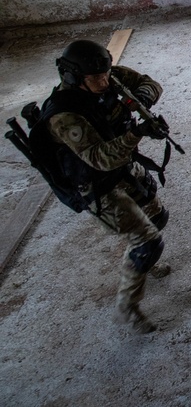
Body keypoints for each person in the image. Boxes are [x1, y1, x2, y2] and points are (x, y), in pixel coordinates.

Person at [37, 40, 172, 334]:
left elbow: (150, 83)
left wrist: (141, 100)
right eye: (96, 78)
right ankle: (128, 309)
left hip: (121, 165)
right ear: (74, 78)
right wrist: (137, 132)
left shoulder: (108, 78)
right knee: (147, 244)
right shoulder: (65, 115)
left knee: (158, 216)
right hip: (95, 183)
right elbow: (100, 159)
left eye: (106, 74)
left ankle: (143, 263)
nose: (104, 81)